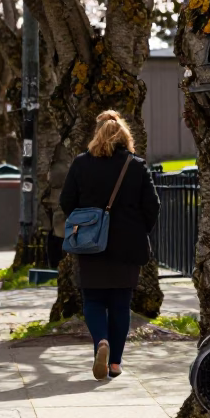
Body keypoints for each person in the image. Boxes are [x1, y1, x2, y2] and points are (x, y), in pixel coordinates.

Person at [59, 110, 160, 381]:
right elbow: (153, 205)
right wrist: (139, 230)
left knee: (92, 299)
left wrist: (83, 222)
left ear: (97, 134)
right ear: (124, 136)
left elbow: (66, 201)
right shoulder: (135, 166)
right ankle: (115, 363)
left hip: (91, 244)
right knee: (120, 303)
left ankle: (101, 342)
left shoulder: (81, 164)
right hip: (128, 246)